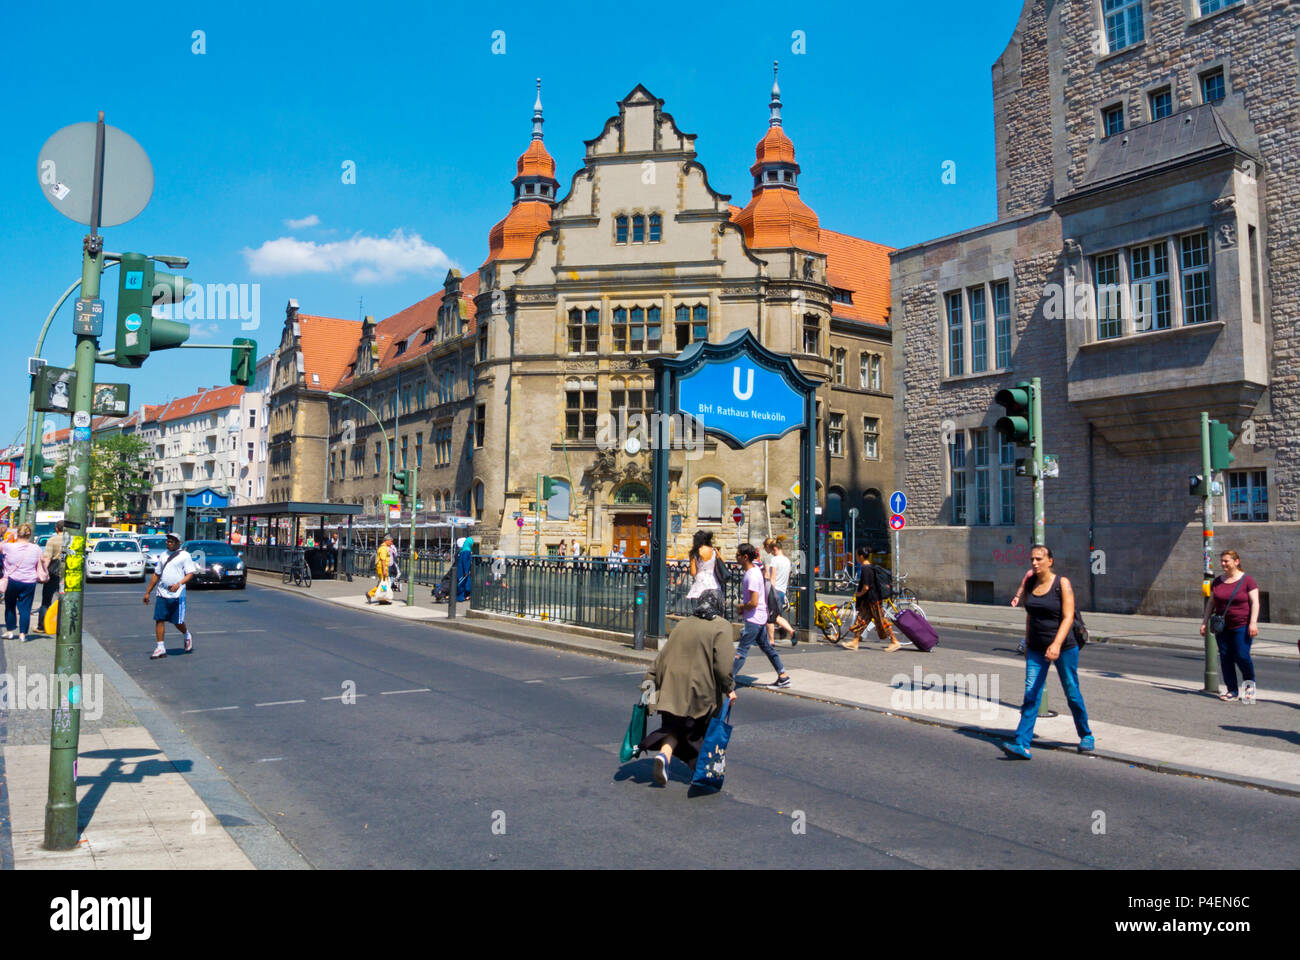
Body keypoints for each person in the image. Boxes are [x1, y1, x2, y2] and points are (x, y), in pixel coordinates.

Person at [1000, 544, 1093, 759]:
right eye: (1032, 559)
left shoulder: (1062, 583)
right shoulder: (1031, 582)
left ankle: (1086, 735)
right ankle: (1022, 743)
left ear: (1050, 561)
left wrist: (1057, 644)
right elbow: (1030, 616)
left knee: (1071, 691)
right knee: (1031, 693)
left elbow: (1069, 617)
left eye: (1039, 559)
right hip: (1036, 647)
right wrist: (1026, 643)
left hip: (1064, 647)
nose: (1034, 562)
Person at [637, 590, 737, 786]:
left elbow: (662, 656)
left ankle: (664, 757)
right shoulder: (721, 626)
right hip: (699, 692)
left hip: (670, 689)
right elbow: (724, 666)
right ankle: (703, 772)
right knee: (698, 732)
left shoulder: (683, 624)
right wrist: (729, 688)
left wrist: (649, 685)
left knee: (674, 727)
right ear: (719, 606)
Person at [1200, 550, 1261, 703]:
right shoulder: (1218, 581)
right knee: (1226, 658)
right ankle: (1232, 690)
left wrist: (1253, 622)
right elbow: (1211, 603)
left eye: (1226, 561)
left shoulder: (1247, 580)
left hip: (1242, 625)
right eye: (1222, 561)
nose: (1223, 564)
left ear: (1236, 561)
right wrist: (1204, 622)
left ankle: (1249, 686)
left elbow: (1255, 603)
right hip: (1222, 627)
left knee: (1242, 655)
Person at [732, 543, 791, 688]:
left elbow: (753, 602)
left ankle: (727, 680)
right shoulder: (756, 571)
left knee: (741, 650)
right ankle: (783, 676)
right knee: (767, 648)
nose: (736, 557)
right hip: (760, 617)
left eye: (738, 555)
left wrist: (741, 607)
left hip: (754, 618)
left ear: (745, 557)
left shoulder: (751, 576)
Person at [141, 533, 198, 659]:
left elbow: (190, 574)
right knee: (159, 619)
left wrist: (179, 583)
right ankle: (160, 647)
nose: (168, 543)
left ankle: (187, 634)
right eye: (168, 541)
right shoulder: (163, 555)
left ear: (178, 543)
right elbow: (156, 574)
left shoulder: (185, 556)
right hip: (162, 592)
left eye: (171, 541)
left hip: (177, 594)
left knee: (177, 621)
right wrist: (148, 592)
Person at [844, 547, 899, 652]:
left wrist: (859, 594)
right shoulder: (869, 567)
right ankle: (855, 641)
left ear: (861, 556)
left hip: (873, 600)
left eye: (856, 556)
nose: (856, 558)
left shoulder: (865, 568)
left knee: (881, 620)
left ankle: (894, 641)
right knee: (861, 620)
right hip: (868, 600)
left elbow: (866, 587)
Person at [2, 523, 46, 642]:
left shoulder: (9, 547)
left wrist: (7, 539)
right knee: (25, 608)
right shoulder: (36, 548)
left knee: (10, 606)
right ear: (30, 534)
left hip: (12, 580)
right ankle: (23, 634)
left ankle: (10, 631)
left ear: (17, 534)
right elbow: (41, 561)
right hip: (29, 581)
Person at [762, 537, 796, 645]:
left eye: (772, 550)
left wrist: (768, 590)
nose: (771, 553)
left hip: (774, 591)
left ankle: (771, 640)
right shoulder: (787, 560)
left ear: (775, 548)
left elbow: (772, 577)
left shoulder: (774, 560)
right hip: (782, 590)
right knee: (776, 616)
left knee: (770, 617)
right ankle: (791, 631)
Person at [35, 520, 65, 635]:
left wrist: (44, 572)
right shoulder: (72, 539)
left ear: (56, 529)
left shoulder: (52, 540)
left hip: (54, 574)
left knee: (46, 600)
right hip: (68, 573)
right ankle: (63, 625)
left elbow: (47, 558)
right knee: (64, 599)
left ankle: (42, 626)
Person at [685, 530, 723, 602]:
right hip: (713, 581)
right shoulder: (714, 550)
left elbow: (693, 572)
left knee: (700, 608)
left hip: (700, 582)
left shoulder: (694, 553)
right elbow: (722, 562)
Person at [367, 535, 394, 602]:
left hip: (381, 568)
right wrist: (384, 569)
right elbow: (383, 560)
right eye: (391, 541)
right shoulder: (384, 548)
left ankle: (382, 598)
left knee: (383, 583)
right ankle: (372, 594)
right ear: (387, 540)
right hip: (382, 568)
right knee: (384, 583)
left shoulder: (383, 547)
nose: (391, 543)